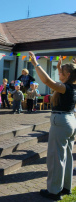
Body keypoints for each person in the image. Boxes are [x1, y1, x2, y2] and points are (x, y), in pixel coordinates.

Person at [28, 52, 76, 201]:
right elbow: (57, 79)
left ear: (67, 74)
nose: (58, 73)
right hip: (70, 121)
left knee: (56, 158)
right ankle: (66, 187)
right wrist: (59, 66)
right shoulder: (72, 86)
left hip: (61, 122)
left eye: (60, 72)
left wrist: (36, 64)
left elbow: (47, 81)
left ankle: (54, 191)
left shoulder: (65, 88)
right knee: (67, 157)